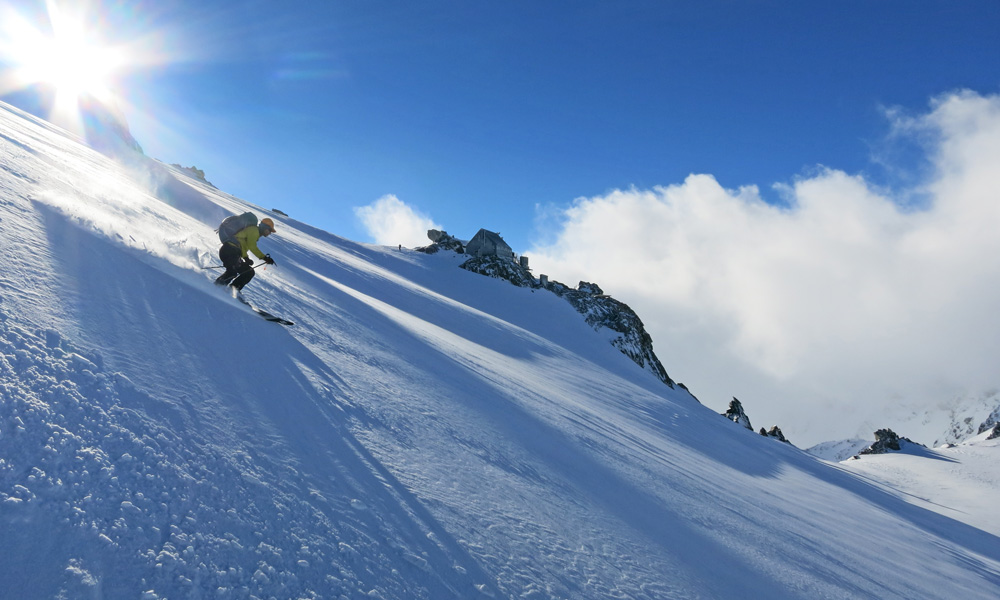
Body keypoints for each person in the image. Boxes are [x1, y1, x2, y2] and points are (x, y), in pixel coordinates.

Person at [215, 217, 277, 290]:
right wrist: (264, 257)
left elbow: (243, 245)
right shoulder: (254, 231)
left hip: (234, 253)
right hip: (229, 250)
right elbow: (252, 246)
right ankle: (216, 288)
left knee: (249, 272)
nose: (269, 233)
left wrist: (246, 258)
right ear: (265, 227)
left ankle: (233, 290)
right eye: (269, 230)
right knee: (232, 272)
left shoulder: (255, 233)